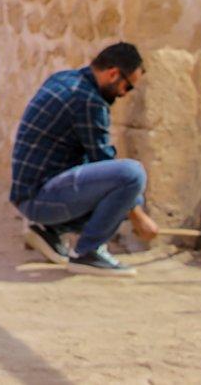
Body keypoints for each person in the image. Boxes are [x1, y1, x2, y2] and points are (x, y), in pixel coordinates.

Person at [11, 42, 159, 277]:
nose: (123, 94)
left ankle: (49, 230)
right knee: (132, 176)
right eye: (127, 87)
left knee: (130, 195)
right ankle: (88, 252)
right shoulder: (88, 100)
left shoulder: (64, 79)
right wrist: (141, 220)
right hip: (40, 199)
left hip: (30, 194)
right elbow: (106, 162)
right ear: (113, 73)